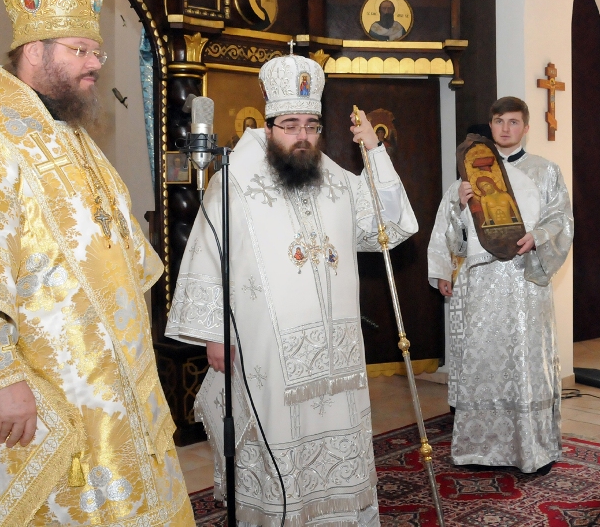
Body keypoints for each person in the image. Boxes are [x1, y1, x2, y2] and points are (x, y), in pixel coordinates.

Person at [0, 0, 194, 525]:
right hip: (46, 380)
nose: (95, 64)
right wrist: (2, 378)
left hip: (111, 382)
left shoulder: (73, 138)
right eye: (80, 51)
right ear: (34, 51)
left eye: (96, 52)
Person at [166, 54, 417, 527]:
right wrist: (215, 333)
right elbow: (206, 255)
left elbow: (389, 227)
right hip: (267, 351)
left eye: (311, 125)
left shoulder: (336, 180)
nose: (302, 136)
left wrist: (375, 152)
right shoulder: (234, 182)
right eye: (290, 125)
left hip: (336, 355)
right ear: (268, 126)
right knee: (277, 442)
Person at [428, 96, 574, 474]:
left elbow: (562, 219)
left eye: (513, 122)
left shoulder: (545, 171)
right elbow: (449, 231)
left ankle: (533, 449)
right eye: (498, 121)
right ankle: (481, 448)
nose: (505, 128)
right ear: (490, 125)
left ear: (526, 127)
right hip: (481, 283)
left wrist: (538, 236)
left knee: (526, 364)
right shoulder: (467, 177)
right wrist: (461, 210)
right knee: (483, 363)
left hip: (526, 280)